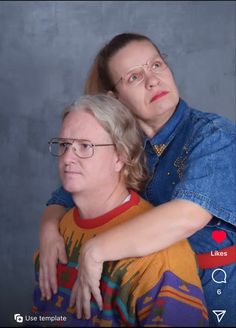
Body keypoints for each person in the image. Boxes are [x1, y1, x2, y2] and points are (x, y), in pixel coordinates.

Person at [39, 33, 236, 327]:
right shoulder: (120, 143)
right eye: (133, 77)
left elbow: (188, 215)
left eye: (156, 65)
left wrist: (95, 249)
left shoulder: (214, 135)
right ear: (114, 98)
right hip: (138, 292)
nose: (152, 80)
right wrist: (48, 228)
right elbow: (70, 189)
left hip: (215, 296)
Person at [32, 94, 208, 327]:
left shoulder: (162, 255)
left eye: (85, 146)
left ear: (121, 157)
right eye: (64, 145)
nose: (67, 158)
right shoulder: (57, 231)